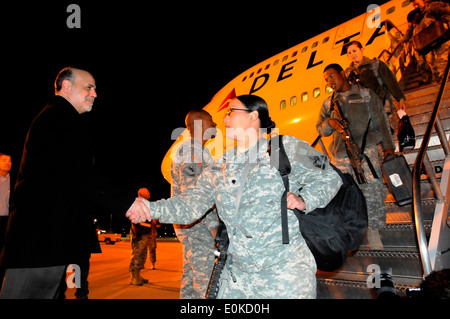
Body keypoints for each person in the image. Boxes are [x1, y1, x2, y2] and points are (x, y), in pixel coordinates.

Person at [126, 95, 342, 298]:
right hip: (238, 278)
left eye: (231, 112)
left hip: (285, 276)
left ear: (253, 116)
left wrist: (306, 200)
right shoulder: (222, 163)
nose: (225, 118)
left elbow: (330, 176)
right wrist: (149, 209)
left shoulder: (285, 147)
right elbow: (192, 203)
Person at [0, 67, 140, 299]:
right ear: (66, 86)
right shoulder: (58, 117)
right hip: (39, 241)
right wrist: (127, 203)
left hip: (48, 241)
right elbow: (80, 172)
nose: (95, 94)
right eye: (89, 87)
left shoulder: (60, 118)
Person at [317, 64, 395, 250]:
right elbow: (320, 128)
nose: (330, 82)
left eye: (332, 76)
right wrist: (330, 123)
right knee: (344, 197)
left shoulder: (365, 95)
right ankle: (352, 234)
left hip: (366, 151)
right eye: (327, 80)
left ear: (343, 74)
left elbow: (381, 121)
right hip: (341, 156)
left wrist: (388, 146)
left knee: (372, 193)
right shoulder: (329, 103)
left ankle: (374, 232)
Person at [171, 110, 220, 299]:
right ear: (199, 123)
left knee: (191, 281)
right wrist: (213, 228)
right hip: (197, 227)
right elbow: (194, 196)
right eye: (211, 121)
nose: (215, 125)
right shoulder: (192, 151)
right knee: (205, 285)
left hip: (194, 226)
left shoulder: (197, 150)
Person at [400, 0, 450, 84]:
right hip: (428, 42)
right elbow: (409, 30)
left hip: (441, 37)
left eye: (416, 3)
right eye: (413, 5)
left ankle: (442, 80)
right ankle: (439, 80)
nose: (415, 6)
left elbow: (447, 12)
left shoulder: (432, 7)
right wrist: (403, 40)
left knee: (440, 59)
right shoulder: (416, 15)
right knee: (432, 62)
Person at [129, 187, 154, 285]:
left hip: (145, 233)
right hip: (140, 234)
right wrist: (137, 233)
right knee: (137, 254)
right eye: (148, 192)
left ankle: (138, 276)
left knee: (142, 255)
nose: (149, 193)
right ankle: (134, 277)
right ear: (141, 194)